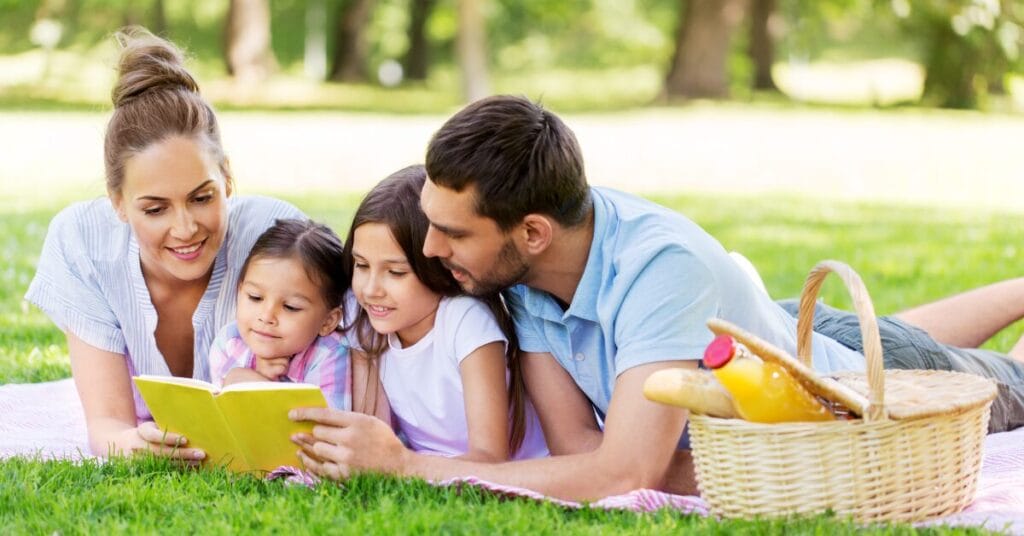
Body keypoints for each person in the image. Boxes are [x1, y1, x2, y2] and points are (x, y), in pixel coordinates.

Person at [291, 95, 1024, 500]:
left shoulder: (659, 269)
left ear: (534, 231)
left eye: (451, 233)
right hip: (782, 334)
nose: (431, 251)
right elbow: (581, 448)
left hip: (854, 381)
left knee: (1004, 383)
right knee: (892, 329)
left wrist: (409, 467)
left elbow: (619, 473)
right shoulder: (526, 278)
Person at [24, 28, 303, 461]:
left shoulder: (277, 235)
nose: (186, 228)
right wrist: (136, 444)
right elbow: (109, 425)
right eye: (155, 209)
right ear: (117, 202)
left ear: (227, 178)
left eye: (202, 197)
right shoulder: (84, 241)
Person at [337, 164, 547, 461]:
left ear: (437, 266)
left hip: (516, 468)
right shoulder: (368, 321)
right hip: (427, 468)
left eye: (396, 273)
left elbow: (489, 457)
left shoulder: (464, 321)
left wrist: (401, 467)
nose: (371, 289)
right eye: (361, 265)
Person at [208, 219, 350, 410]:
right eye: (255, 297)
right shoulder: (229, 342)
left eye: (290, 307)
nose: (266, 317)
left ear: (328, 321)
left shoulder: (329, 355)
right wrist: (237, 382)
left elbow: (324, 430)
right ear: (240, 291)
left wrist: (261, 387)